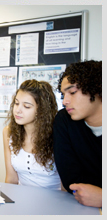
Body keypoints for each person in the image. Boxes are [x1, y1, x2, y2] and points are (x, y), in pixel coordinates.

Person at [53, 60, 102, 207]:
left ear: (97, 89)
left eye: (72, 92)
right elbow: (72, 182)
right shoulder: (64, 121)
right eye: (63, 95)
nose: (65, 101)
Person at [3, 79, 61, 190]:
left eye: (26, 106)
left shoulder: (58, 135)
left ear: (41, 111)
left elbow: (66, 187)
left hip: (54, 202)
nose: (18, 110)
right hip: (21, 200)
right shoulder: (8, 133)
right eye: (16, 103)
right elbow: (11, 180)